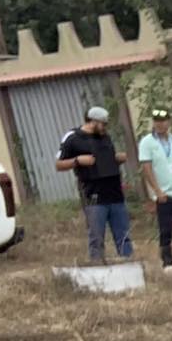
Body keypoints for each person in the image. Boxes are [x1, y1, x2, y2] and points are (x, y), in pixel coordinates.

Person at [55, 106, 133, 264]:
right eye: (103, 124)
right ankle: (97, 265)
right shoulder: (73, 138)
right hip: (93, 195)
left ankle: (129, 264)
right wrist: (77, 160)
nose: (105, 128)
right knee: (97, 237)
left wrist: (116, 158)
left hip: (115, 193)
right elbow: (58, 164)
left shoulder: (105, 137)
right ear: (93, 122)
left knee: (123, 235)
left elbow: (104, 159)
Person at [137, 109, 172, 271]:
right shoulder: (147, 142)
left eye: (163, 121)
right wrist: (157, 191)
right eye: (157, 121)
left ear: (169, 122)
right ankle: (168, 262)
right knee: (166, 229)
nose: (160, 124)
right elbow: (147, 168)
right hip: (164, 194)